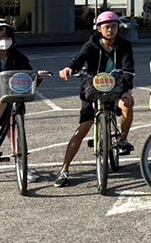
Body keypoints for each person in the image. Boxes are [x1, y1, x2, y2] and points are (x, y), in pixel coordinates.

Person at [55, 11, 135, 188]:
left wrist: (126, 90)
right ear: (99, 29)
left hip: (117, 88)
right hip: (92, 89)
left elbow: (128, 69)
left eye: (114, 26)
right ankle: (64, 169)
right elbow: (79, 60)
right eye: (106, 27)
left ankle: (122, 139)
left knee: (128, 103)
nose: (110, 30)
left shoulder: (124, 46)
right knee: (83, 128)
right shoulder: (91, 45)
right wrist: (69, 68)